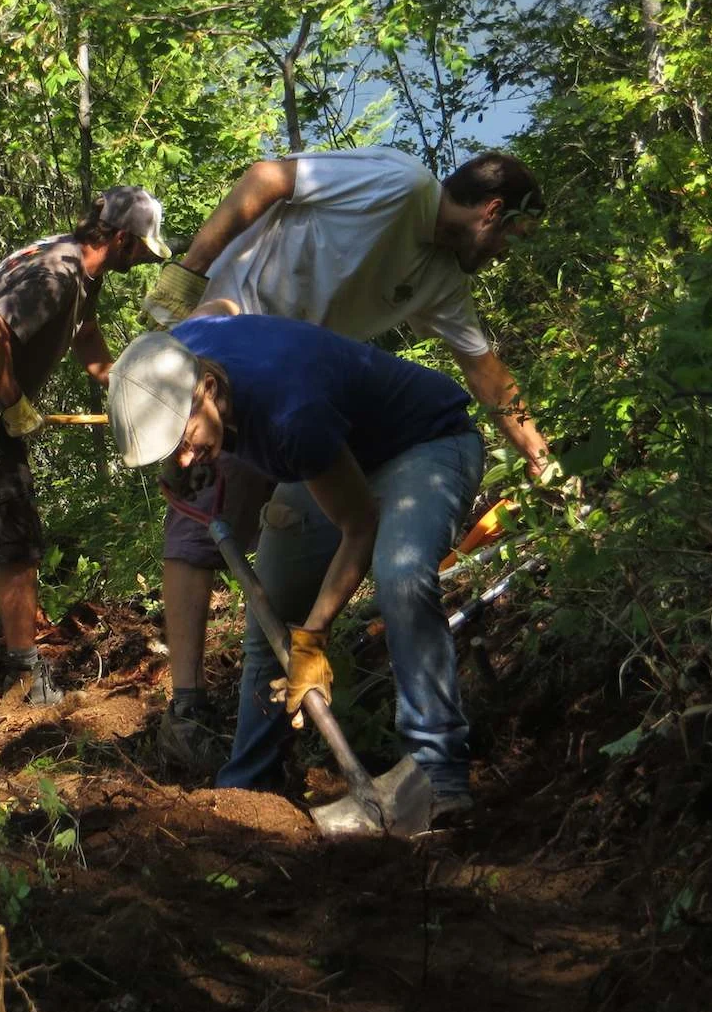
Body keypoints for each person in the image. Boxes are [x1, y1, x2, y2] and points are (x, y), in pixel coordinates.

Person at [137, 146, 554, 772]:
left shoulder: (440, 279)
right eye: (512, 237)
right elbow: (269, 178)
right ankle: (198, 722)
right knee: (211, 538)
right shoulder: (400, 184)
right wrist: (191, 272)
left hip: (306, 406)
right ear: (492, 212)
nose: (504, 254)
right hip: (230, 358)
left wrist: (546, 466)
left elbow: (487, 372)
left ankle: (431, 772)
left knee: (381, 571)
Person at [108, 315, 485, 813]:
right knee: (272, 616)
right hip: (336, 456)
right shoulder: (174, 359)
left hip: (426, 445)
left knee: (402, 576)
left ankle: (438, 773)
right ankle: (248, 791)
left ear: (209, 387)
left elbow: (359, 527)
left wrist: (313, 638)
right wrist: (177, 454)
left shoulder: (291, 415)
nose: (182, 459)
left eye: (182, 439)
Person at [0, 186, 171, 704]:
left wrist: (121, 385)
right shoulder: (56, 275)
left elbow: (85, 333)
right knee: (18, 543)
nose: (143, 258)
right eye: (141, 247)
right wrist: (13, 403)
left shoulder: (79, 267)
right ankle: (25, 676)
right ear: (120, 239)